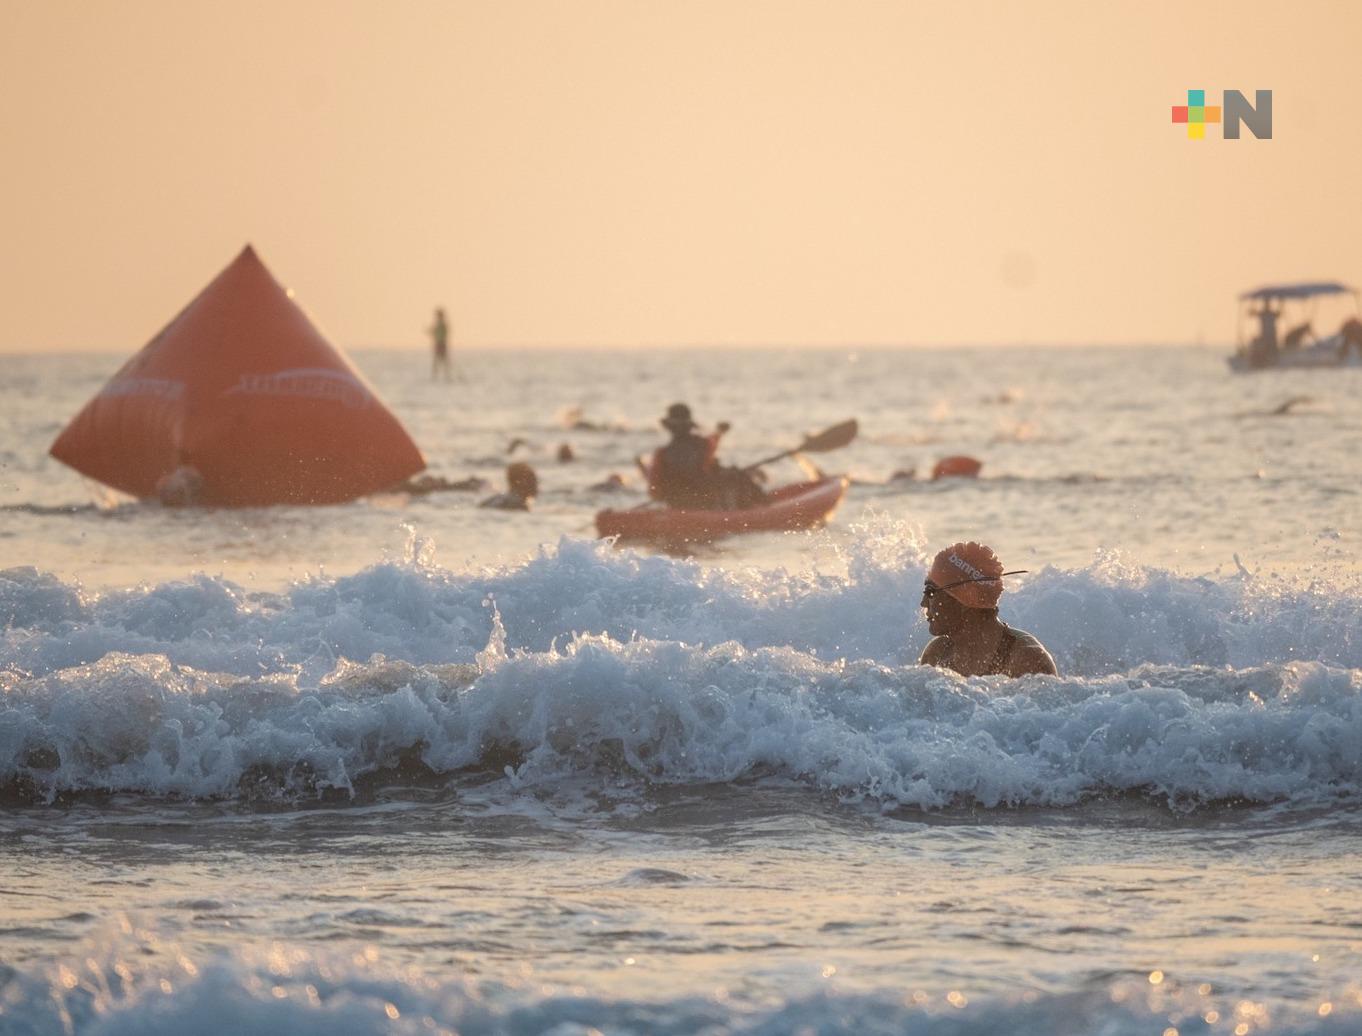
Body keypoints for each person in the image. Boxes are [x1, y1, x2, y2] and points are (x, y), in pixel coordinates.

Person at [918, 542, 1057, 678]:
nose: (923, 603)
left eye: (930, 592)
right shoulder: (936, 654)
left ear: (965, 599)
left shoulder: (1027, 659)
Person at [647, 403, 763, 510]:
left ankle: (755, 506)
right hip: (704, 502)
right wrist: (720, 431)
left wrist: (663, 496)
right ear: (689, 427)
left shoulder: (662, 453)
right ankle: (762, 505)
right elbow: (713, 442)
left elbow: (655, 490)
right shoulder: (703, 444)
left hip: (677, 504)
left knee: (729, 473)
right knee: (736, 474)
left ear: (670, 429)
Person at [1248, 299, 1281, 368]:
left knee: (1274, 349)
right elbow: (1251, 313)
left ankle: (1273, 359)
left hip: (1272, 336)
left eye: (1268, 305)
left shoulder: (1272, 314)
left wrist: (1280, 302)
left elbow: (1279, 314)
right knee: (1267, 348)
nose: (1267, 306)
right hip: (1265, 336)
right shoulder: (1262, 314)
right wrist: (1253, 303)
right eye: (1266, 305)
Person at [429, 307, 451, 381]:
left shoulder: (442, 325)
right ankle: (436, 376)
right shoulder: (439, 324)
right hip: (439, 344)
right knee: (438, 361)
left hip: (441, 344)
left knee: (442, 361)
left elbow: (444, 334)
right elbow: (434, 333)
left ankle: (446, 376)